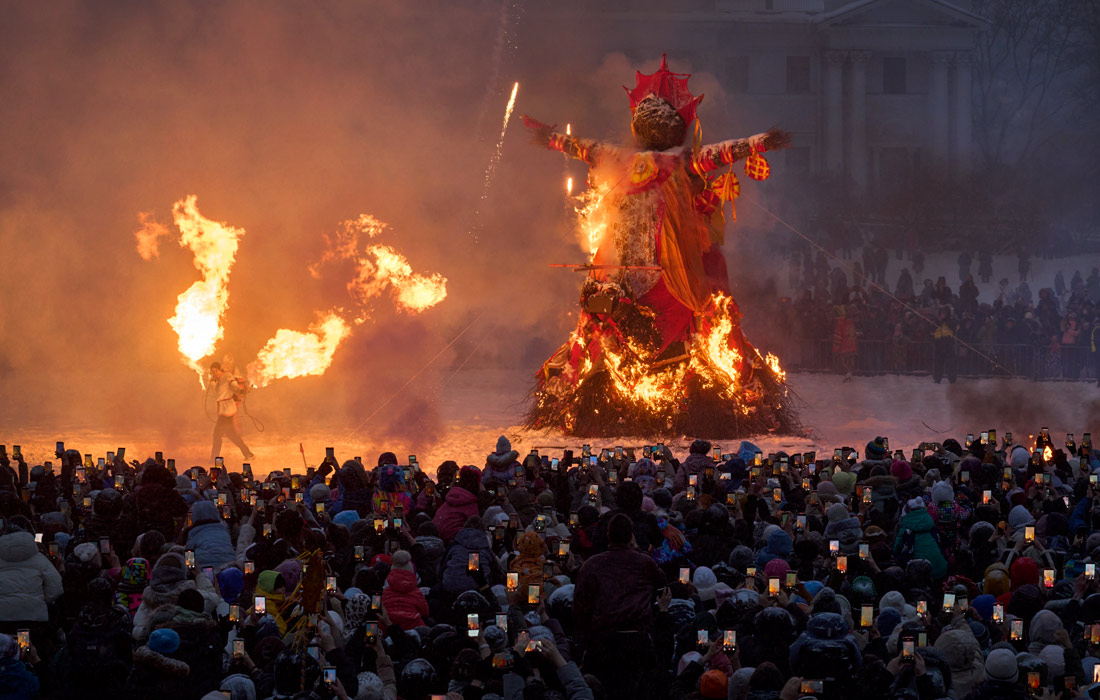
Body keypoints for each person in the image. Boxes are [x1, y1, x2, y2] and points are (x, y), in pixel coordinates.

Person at [208, 362, 253, 461]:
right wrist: (212, 381)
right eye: (213, 372)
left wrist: (241, 390)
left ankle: (214, 458)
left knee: (217, 434)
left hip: (227, 410)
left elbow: (233, 385)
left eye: (216, 371)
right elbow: (217, 390)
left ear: (220, 369)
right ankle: (248, 453)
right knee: (232, 435)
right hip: (224, 409)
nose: (215, 373)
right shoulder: (218, 381)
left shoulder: (227, 376)